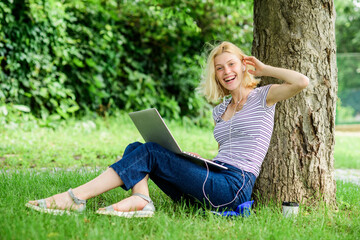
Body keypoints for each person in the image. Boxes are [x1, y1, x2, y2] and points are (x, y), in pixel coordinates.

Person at [26, 41, 309, 217]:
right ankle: (142, 200)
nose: (226, 72)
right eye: (219, 68)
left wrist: (263, 68)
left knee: (148, 152)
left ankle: (75, 198)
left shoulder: (264, 97)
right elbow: (229, 150)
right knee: (137, 149)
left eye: (231, 64)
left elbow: (301, 82)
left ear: (243, 65)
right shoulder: (219, 110)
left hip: (234, 189)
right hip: (217, 175)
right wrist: (199, 162)